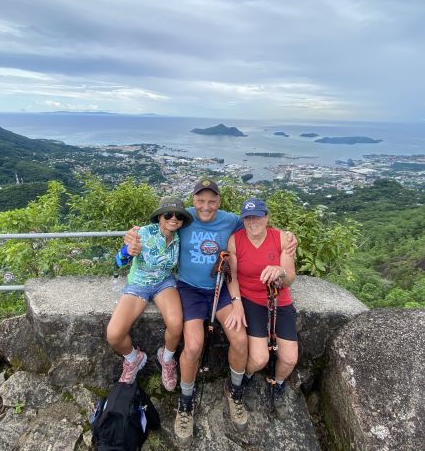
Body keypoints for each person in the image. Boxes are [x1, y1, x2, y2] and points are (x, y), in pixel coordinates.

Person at [124, 179, 297, 443]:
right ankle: (185, 401)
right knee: (193, 345)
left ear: (219, 202)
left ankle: (235, 392)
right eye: (201, 200)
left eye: (212, 201)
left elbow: (257, 227)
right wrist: (132, 237)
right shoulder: (182, 217)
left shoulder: (231, 221)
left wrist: (288, 237)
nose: (206, 206)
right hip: (190, 290)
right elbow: (157, 226)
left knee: (239, 339)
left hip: (222, 288)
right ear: (193, 200)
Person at [107, 197, 193, 392]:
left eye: (178, 216)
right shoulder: (143, 233)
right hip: (138, 284)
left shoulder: (181, 236)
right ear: (159, 217)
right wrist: (128, 251)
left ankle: (167, 358)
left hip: (164, 282)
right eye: (168, 214)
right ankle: (133, 359)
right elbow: (119, 262)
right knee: (114, 334)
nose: (173, 219)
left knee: (176, 324)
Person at [227, 198, 298, 417]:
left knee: (289, 359)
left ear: (266, 217)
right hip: (251, 300)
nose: (252, 222)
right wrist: (237, 302)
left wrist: (280, 271)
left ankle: (277, 383)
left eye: (257, 216)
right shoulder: (235, 241)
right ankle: (241, 380)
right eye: (248, 218)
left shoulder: (282, 238)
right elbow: (232, 277)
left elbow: (289, 279)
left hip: (279, 299)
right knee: (259, 358)